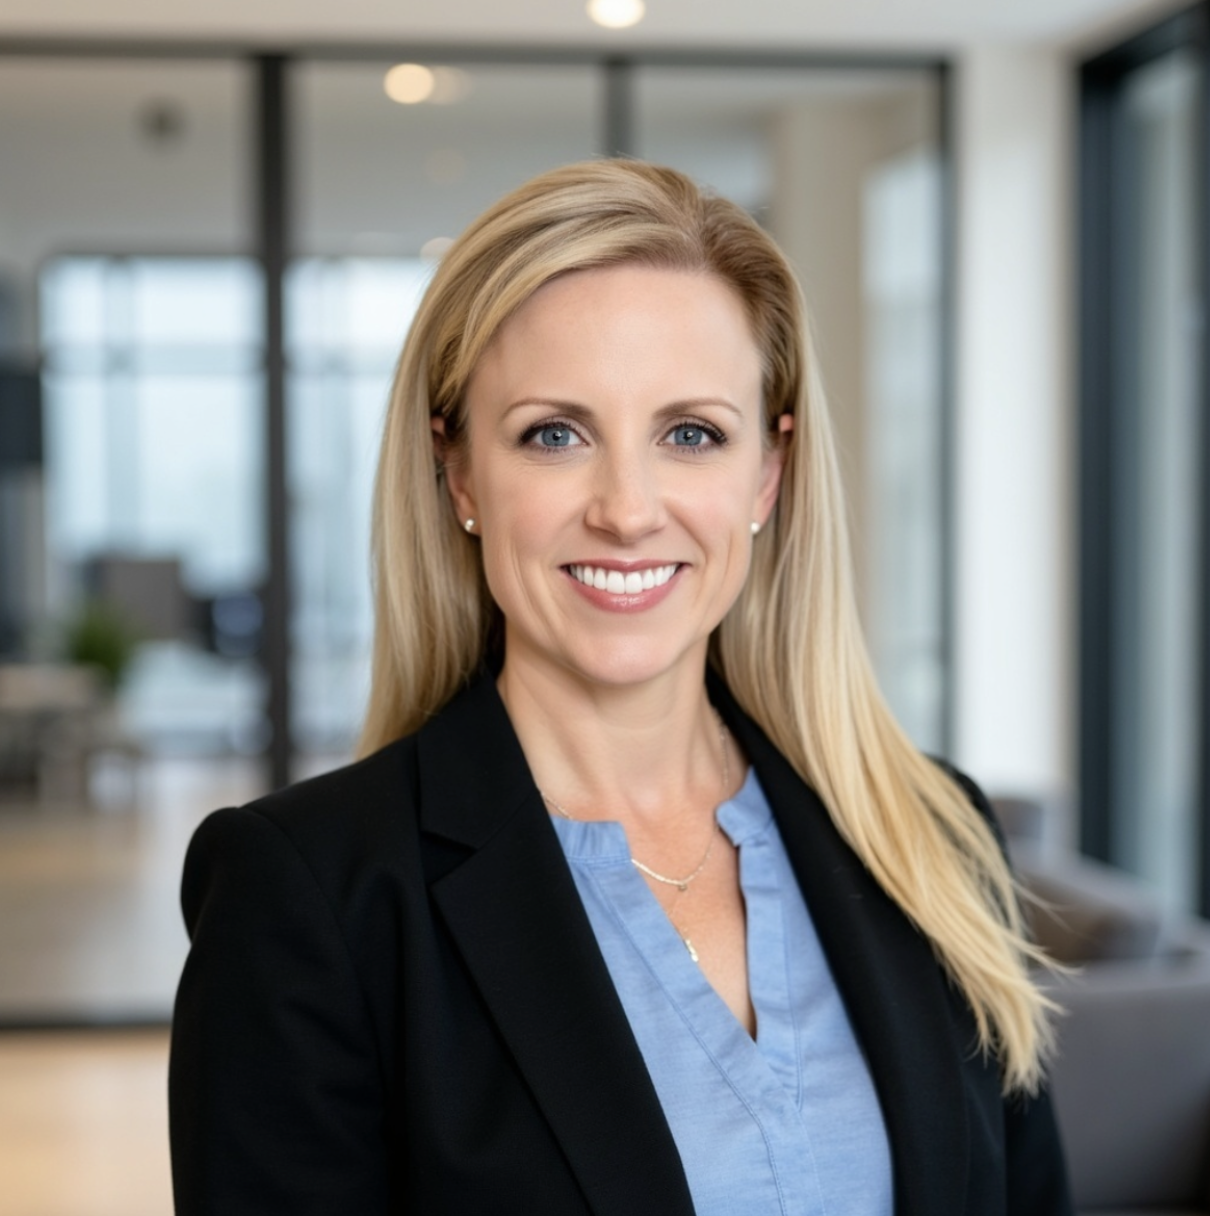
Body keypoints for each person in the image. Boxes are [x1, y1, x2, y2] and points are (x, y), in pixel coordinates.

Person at [168, 159, 1072, 1215]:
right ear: (458, 471)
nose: (627, 508)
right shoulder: (312, 898)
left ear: (766, 477)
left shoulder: (933, 837)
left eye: (690, 433)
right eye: (555, 434)